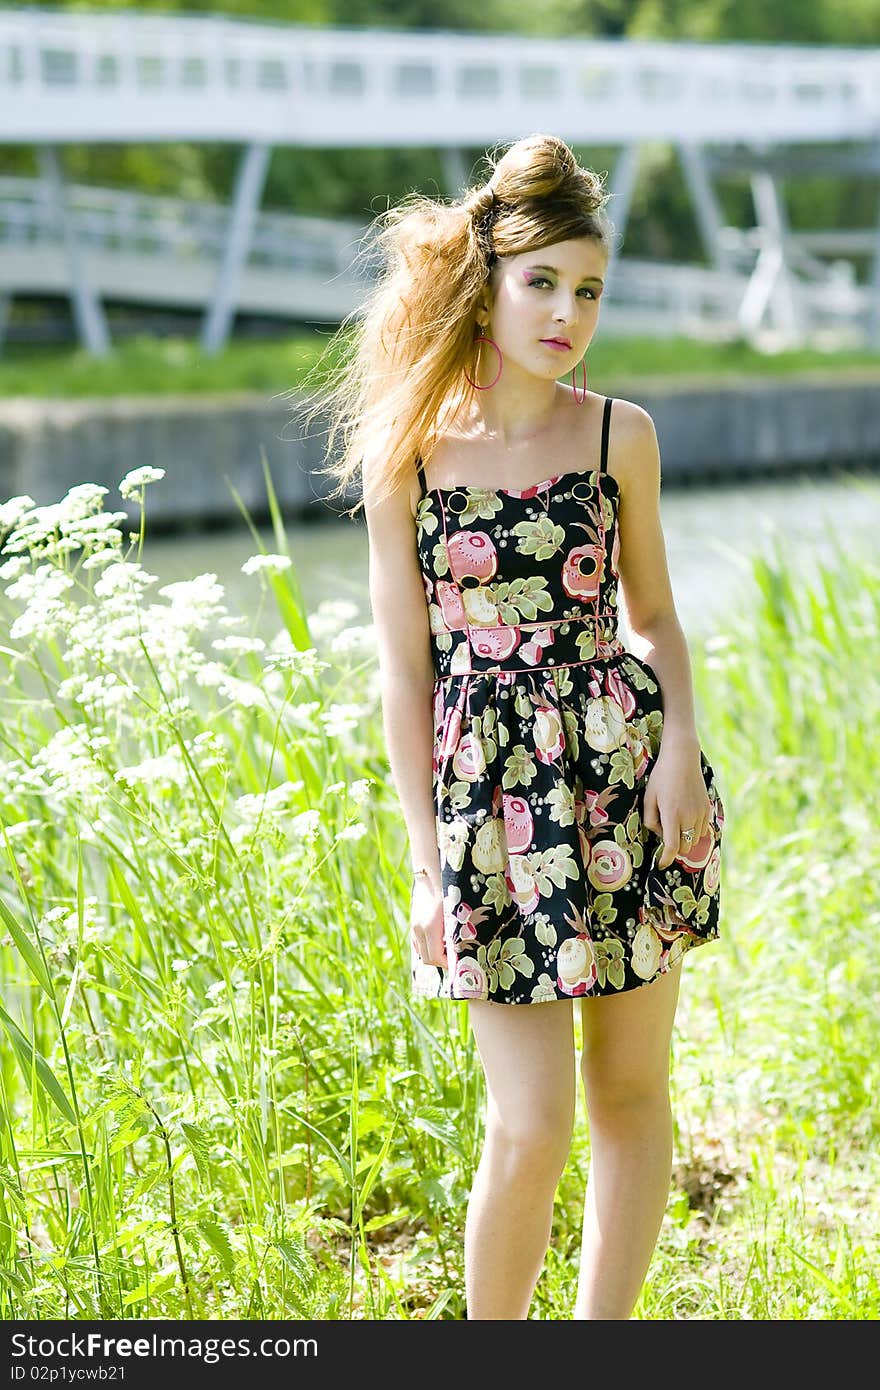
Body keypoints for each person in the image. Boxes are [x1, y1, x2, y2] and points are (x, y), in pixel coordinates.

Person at [312, 132, 725, 1320]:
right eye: (540, 281)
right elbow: (406, 672)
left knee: (632, 1094)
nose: (565, 311)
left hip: (629, 786)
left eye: (587, 288)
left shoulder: (619, 436)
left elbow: (652, 616)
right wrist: (426, 867)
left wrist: (682, 743)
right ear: (486, 280)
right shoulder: (411, 456)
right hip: (492, 815)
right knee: (528, 1121)